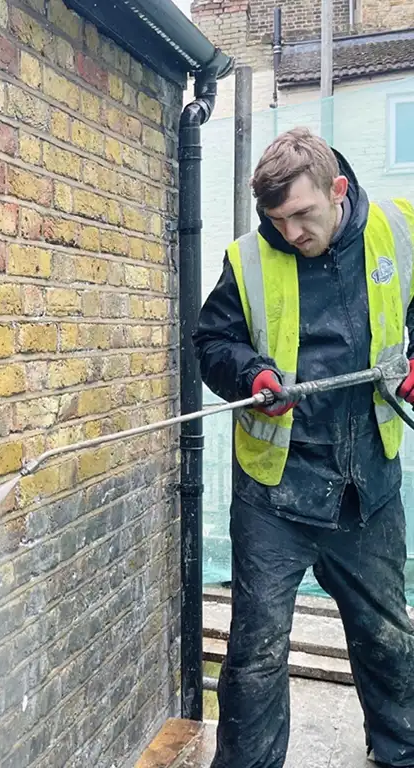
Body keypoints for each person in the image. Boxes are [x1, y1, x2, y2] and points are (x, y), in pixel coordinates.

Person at [193, 127, 414, 768]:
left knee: (387, 635)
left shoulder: (397, 231)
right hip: (275, 496)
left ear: (337, 190)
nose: (290, 233)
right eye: (277, 220)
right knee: (257, 652)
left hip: (365, 487)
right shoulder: (248, 260)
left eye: (302, 215)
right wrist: (253, 375)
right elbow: (213, 344)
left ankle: (401, 750)